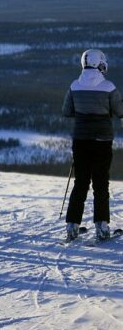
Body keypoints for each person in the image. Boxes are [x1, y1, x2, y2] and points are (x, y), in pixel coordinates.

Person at [62, 49, 123, 241]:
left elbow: (66, 111)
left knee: (80, 182)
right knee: (100, 183)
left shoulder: (74, 86)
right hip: (102, 140)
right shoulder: (109, 87)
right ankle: (102, 227)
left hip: (80, 140)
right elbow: (120, 111)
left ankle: (72, 226)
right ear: (99, 64)